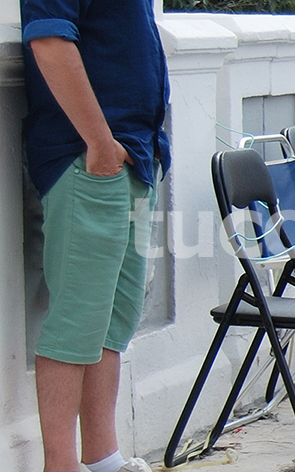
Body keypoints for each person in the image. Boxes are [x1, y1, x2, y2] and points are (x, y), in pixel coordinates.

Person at [20, 1, 171, 471]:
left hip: (132, 158)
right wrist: (100, 145)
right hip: (89, 160)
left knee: (113, 320)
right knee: (77, 321)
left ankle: (104, 460)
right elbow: (49, 40)